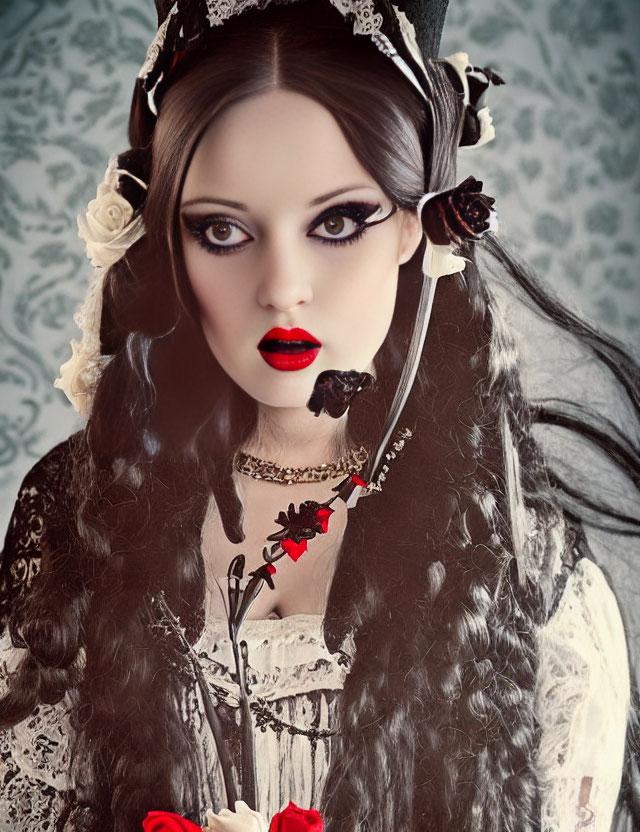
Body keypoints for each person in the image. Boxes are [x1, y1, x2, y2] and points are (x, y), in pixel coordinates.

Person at [1, 0, 638, 830]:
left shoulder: (514, 551)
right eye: (223, 230)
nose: (283, 286)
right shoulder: (81, 515)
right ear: (169, 243)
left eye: (337, 221)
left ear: (414, 225)